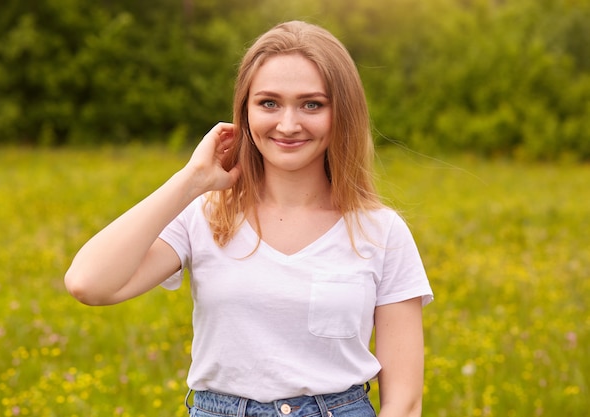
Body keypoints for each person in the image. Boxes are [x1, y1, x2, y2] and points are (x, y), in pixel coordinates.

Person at [65, 20, 433, 417]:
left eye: (312, 104)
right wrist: (190, 181)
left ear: (341, 112)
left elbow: (405, 401)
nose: (288, 125)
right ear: (244, 110)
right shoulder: (206, 216)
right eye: (269, 103)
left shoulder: (380, 232)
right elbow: (89, 283)